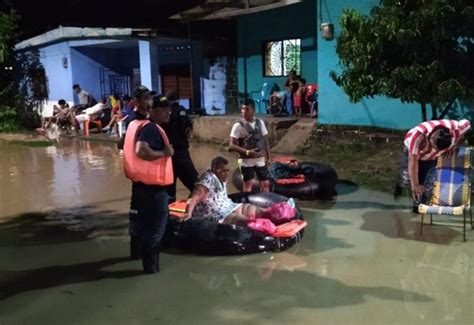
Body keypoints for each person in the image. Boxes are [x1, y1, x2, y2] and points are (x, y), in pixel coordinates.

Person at [123, 94, 175, 274]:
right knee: (155, 230)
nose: (168, 112)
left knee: (139, 226)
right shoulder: (151, 129)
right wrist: (164, 153)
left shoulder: (134, 124)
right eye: (164, 109)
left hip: (139, 188)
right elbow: (141, 150)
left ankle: (135, 257)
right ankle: (150, 270)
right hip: (154, 191)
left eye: (169, 108)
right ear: (152, 111)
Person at [394, 119, 471, 212]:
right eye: (435, 148)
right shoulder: (417, 136)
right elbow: (412, 162)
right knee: (408, 179)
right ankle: (401, 182)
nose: (436, 151)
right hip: (414, 152)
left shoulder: (457, 129)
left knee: (426, 183)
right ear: (431, 138)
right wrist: (415, 185)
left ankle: (417, 208)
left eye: (440, 150)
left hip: (431, 158)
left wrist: (454, 144)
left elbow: (467, 123)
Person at [185, 157, 267, 226]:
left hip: (226, 206)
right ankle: (260, 226)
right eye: (223, 171)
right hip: (213, 214)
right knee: (240, 220)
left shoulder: (221, 178)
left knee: (250, 209)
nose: (226, 174)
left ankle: (271, 214)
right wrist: (188, 213)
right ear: (215, 169)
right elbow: (194, 198)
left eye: (227, 171)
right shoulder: (208, 179)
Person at [161, 89, 199, 203]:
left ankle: (169, 212)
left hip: (168, 153)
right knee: (194, 183)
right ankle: (193, 207)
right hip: (181, 152)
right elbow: (187, 129)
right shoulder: (182, 110)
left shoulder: (164, 112)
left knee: (169, 187)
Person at [229, 99, 271, 192]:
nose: (244, 111)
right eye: (242, 109)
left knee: (265, 183)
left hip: (260, 158)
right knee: (248, 184)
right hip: (246, 160)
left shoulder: (260, 123)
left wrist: (269, 158)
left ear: (253, 110)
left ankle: (265, 204)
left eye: (247, 109)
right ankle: (247, 204)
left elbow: (265, 141)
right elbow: (231, 145)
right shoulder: (238, 125)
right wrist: (248, 152)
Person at [117, 86, 151, 150]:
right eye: (146, 98)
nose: (149, 101)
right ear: (136, 101)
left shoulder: (149, 116)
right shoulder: (133, 120)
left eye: (150, 98)